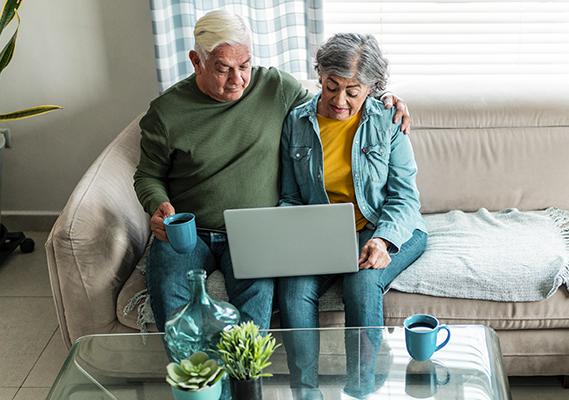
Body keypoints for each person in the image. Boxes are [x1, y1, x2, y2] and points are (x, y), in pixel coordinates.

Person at [134, 11, 411, 335]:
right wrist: (157, 205)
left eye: (245, 66)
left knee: (254, 316)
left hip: (253, 231)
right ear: (197, 61)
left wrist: (385, 100)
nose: (237, 79)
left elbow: (337, 102)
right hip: (187, 230)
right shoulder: (166, 113)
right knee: (174, 305)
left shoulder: (275, 87)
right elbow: (148, 175)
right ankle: (198, 383)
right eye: (223, 68)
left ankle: (245, 382)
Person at [276, 33, 428, 398]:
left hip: (386, 226)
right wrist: (290, 231)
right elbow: (289, 196)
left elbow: (405, 197)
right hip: (323, 233)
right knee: (294, 291)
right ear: (320, 77)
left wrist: (383, 239)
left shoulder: (388, 119)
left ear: (372, 88)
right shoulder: (296, 122)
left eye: (353, 91)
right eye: (331, 87)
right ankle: (305, 392)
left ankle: (360, 391)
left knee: (361, 284)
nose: (339, 101)